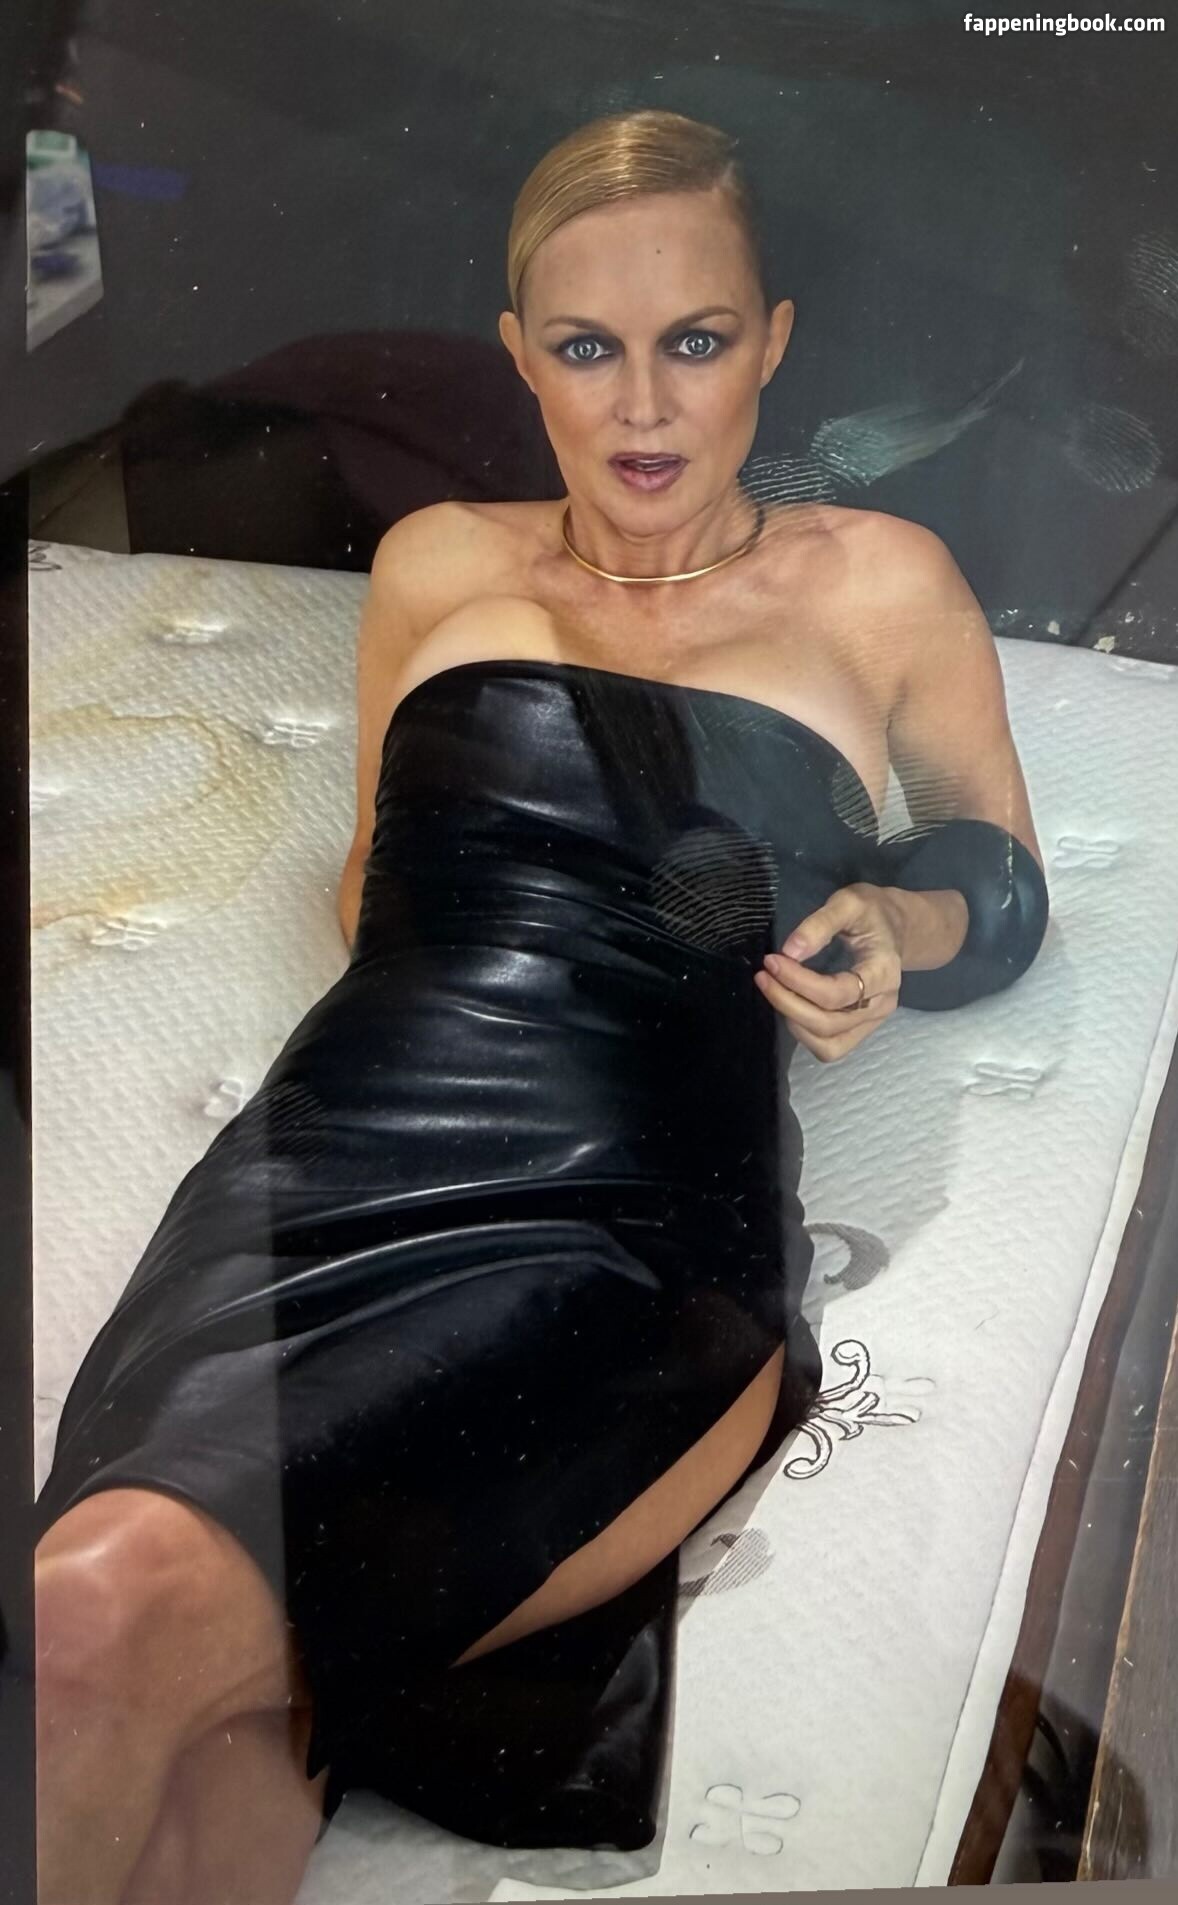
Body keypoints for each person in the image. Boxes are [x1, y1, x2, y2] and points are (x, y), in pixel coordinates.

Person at [32, 108, 1049, 1905]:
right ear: (518, 354)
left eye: (694, 340)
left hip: (625, 1206)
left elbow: (1000, 877)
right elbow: (371, 879)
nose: (642, 405)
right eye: (587, 348)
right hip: (326, 1160)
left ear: (773, 342)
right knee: (183, 1729)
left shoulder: (877, 581)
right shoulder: (439, 561)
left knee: (96, 1620)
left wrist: (896, 917)